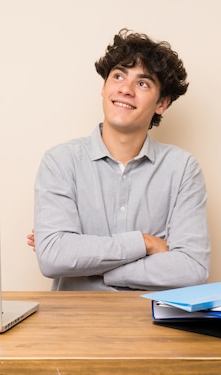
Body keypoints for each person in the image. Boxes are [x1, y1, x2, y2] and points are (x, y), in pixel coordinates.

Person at [29, 29, 210, 291]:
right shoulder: (60, 161)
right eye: (118, 76)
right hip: (74, 324)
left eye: (143, 83)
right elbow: (54, 258)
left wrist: (93, 266)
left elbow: (192, 268)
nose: (125, 89)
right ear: (104, 88)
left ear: (162, 104)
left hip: (153, 323)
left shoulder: (182, 169)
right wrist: (145, 244)